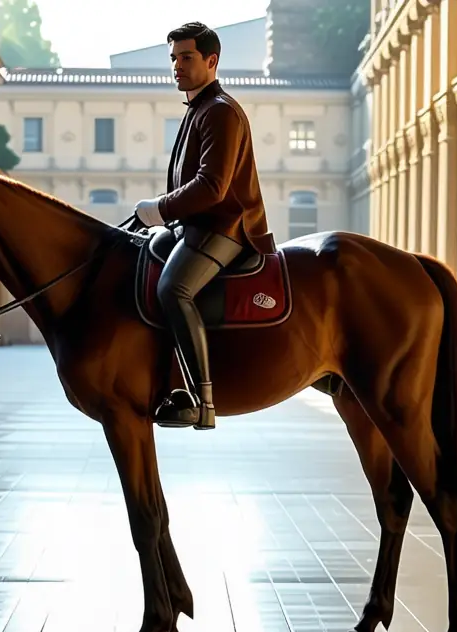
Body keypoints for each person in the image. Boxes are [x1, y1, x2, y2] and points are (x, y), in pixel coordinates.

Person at [134, 21, 270, 431]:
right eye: (174, 58)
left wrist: (160, 208)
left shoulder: (221, 112)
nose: (177, 66)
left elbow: (212, 187)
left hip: (226, 227)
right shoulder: (199, 109)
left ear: (212, 61)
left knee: (173, 288)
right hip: (194, 227)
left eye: (187, 57)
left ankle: (201, 400)